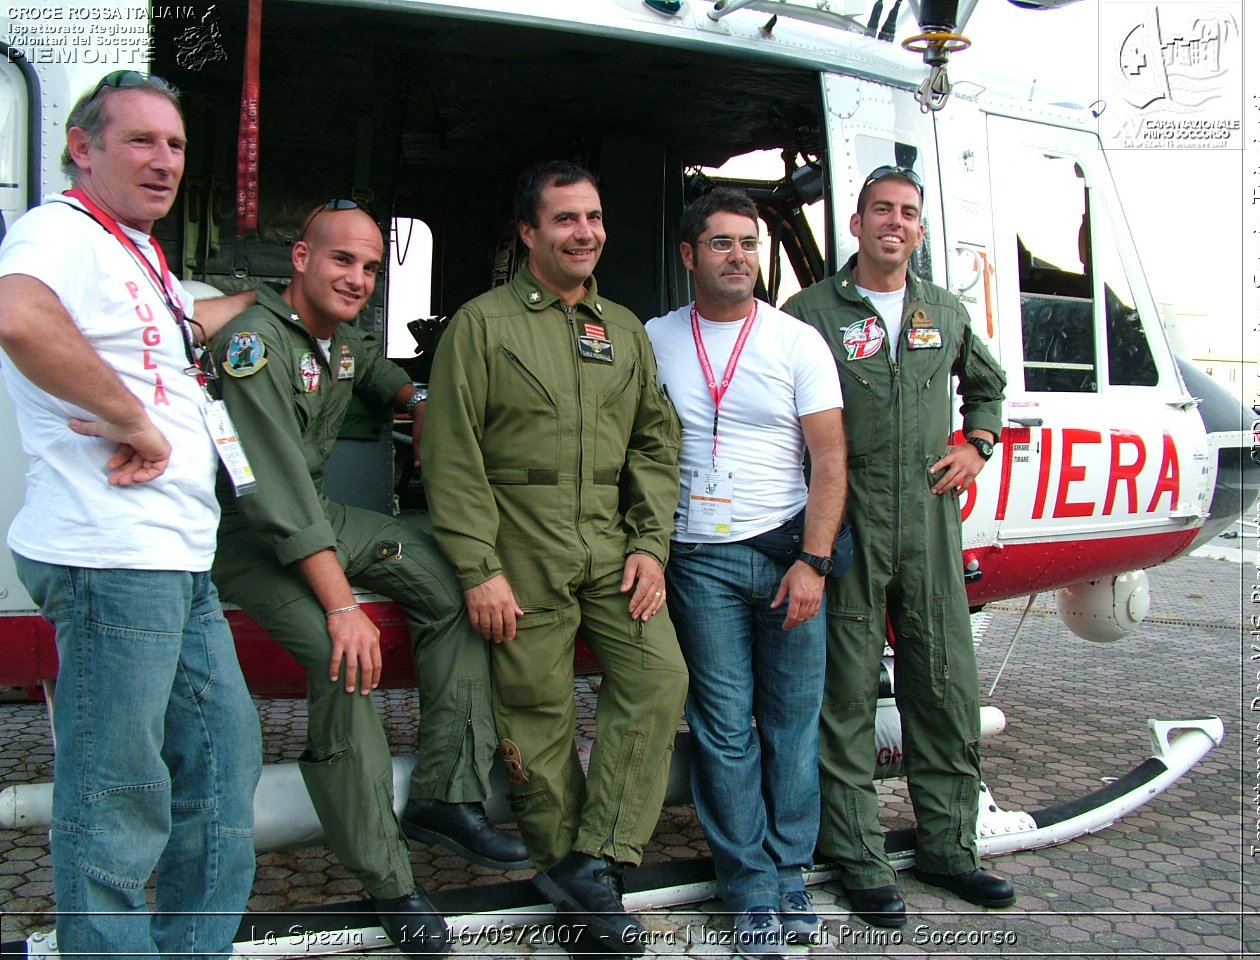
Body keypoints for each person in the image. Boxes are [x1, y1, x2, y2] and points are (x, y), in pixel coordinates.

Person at [208, 201, 528, 955]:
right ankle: (388, 879)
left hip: (321, 516)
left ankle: (445, 796)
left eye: (371, 267)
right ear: (300, 260)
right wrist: (342, 605)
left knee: (457, 592)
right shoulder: (255, 345)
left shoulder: (335, 342)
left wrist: (412, 397)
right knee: (342, 657)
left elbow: (371, 368)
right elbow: (278, 501)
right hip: (254, 540)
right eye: (342, 260)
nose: (357, 278)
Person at [0, 71, 260, 959]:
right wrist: (131, 420)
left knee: (226, 771)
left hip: (176, 558)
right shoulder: (59, 231)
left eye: (177, 145)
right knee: (118, 798)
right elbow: (18, 316)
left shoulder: (136, 253)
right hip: (112, 556)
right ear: (82, 147)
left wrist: (270, 299)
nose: (163, 162)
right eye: (141, 141)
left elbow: (191, 318)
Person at [421, 161, 688, 953]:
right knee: (535, 706)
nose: (585, 233)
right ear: (529, 233)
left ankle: (596, 855)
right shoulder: (483, 325)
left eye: (595, 218)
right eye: (566, 219)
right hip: (520, 542)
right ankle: (573, 876)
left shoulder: (625, 330)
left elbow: (654, 443)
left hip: (608, 540)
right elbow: (451, 454)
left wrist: (649, 545)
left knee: (658, 676)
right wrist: (478, 565)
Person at [781, 165, 1014, 927]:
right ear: (856, 224)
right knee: (845, 697)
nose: (894, 222)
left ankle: (952, 850)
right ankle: (857, 859)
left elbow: (987, 383)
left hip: (929, 521)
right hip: (845, 524)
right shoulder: (810, 311)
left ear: (919, 229)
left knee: (943, 686)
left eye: (908, 212)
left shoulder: (942, 310)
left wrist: (978, 440)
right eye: (881, 209)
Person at [646, 188, 846, 957]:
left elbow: (829, 460)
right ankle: (749, 888)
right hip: (698, 560)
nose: (740, 257)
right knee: (726, 730)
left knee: (792, 726)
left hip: (784, 555)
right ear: (689, 254)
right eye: (723, 243)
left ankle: (791, 870)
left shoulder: (796, 342)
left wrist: (814, 563)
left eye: (750, 244)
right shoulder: (655, 337)